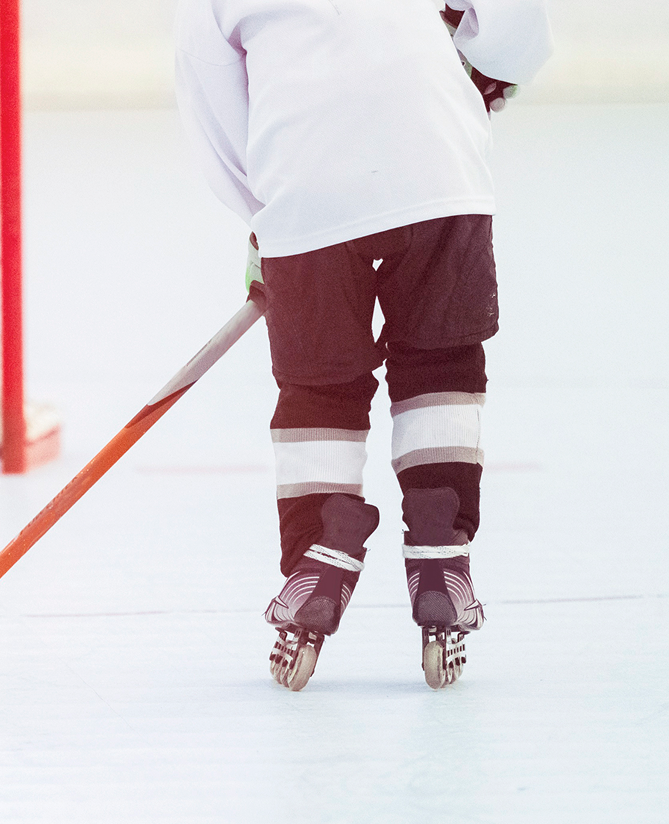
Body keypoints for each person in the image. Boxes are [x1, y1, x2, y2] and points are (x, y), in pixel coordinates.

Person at [173, 0, 552, 690]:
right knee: (440, 358)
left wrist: (264, 219)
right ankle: (440, 555)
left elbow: (211, 95)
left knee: (320, 383)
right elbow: (514, 23)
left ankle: (318, 558)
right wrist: (491, 74)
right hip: (440, 167)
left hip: (304, 182)